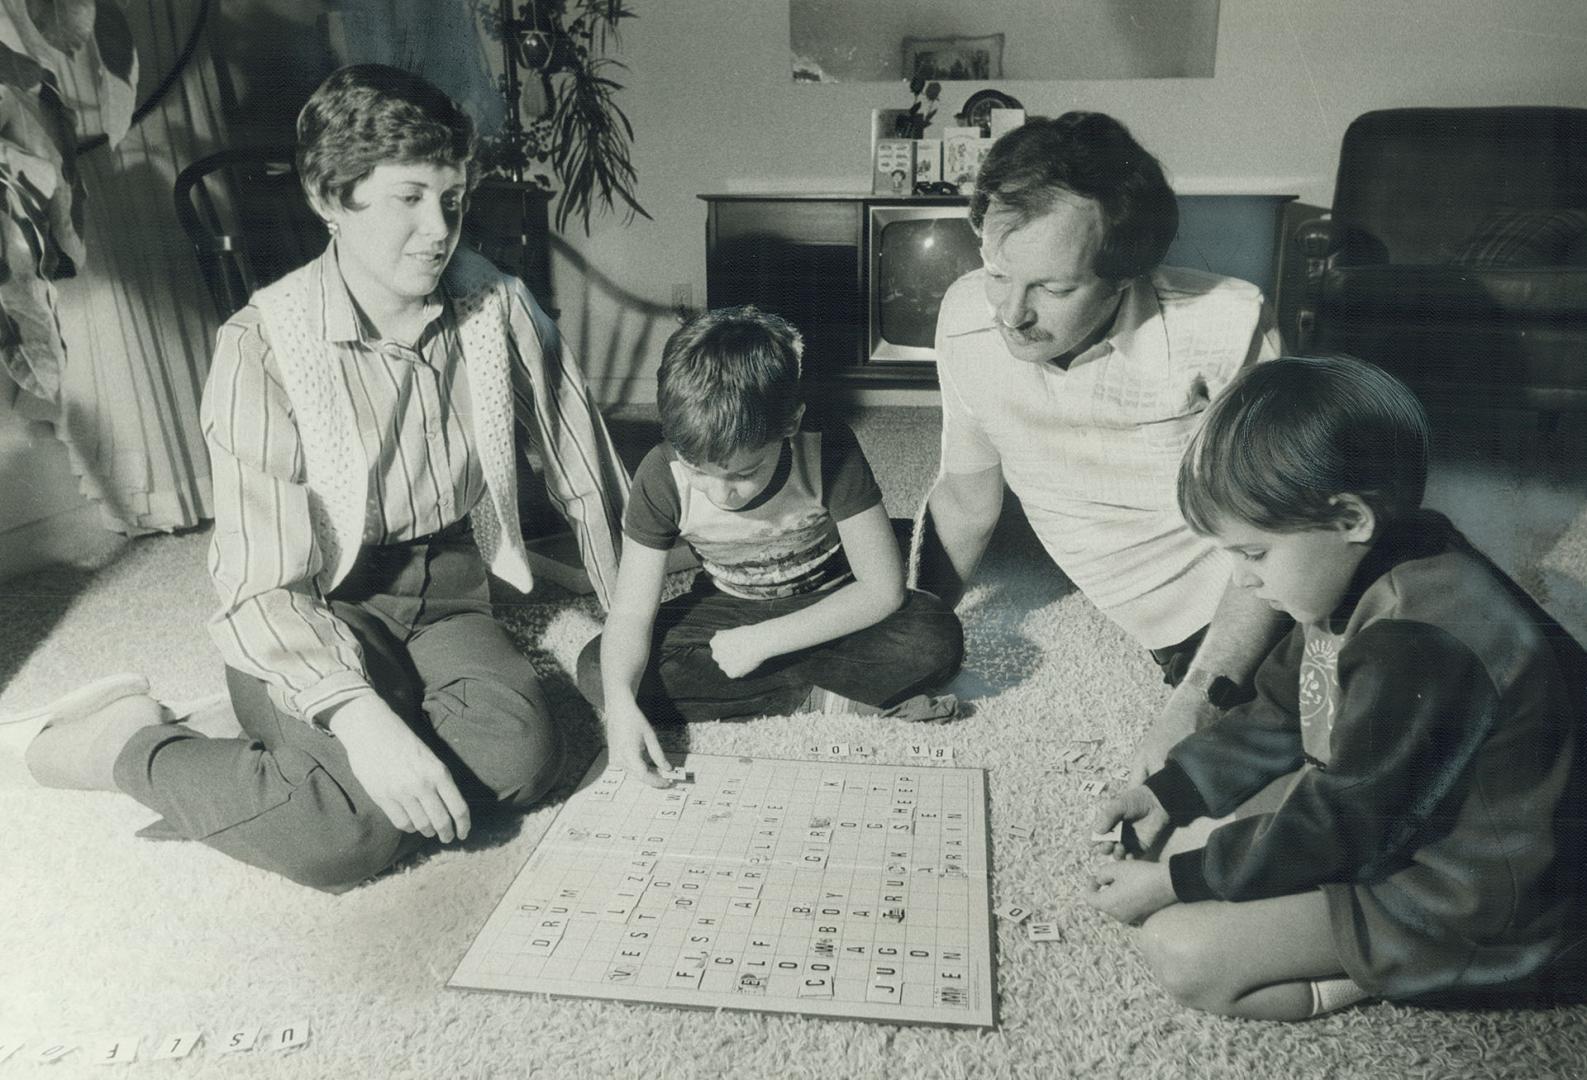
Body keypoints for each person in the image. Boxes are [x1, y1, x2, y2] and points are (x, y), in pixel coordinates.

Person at [22, 64, 629, 891]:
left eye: (452, 199)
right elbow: (259, 586)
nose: (439, 229)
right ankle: (130, 740)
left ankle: (305, 736)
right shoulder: (262, 347)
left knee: (523, 764)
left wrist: (627, 649)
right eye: (407, 198)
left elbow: (587, 481)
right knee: (342, 837)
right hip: (310, 601)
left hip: (447, 590)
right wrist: (363, 719)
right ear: (327, 197)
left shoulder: (498, 308)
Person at [1084, 355, 1587, 1020]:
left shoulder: (1423, 643)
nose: (1238, 582)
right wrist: (1166, 790)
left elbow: (1343, 823)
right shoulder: (1349, 569)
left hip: (1479, 897)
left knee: (1184, 951)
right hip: (1395, 816)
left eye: (1252, 553)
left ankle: (1393, 976)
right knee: (1187, 831)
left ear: (1350, 518)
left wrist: (1173, 884)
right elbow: (1282, 710)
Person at [912, 112, 1288, 778]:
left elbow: (1282, 532)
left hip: (1252, 586)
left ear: (1124, 275)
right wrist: (916, 634)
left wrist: (1193, 703)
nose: (1009, 314)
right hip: (1178, 622)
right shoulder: (967, 312)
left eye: (1052, 289)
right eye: (998, 273)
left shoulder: (1228, 323)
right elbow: (968, 498)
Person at [577, 306, 964, 786]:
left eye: (743, 474)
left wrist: (765, 642)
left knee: (935, 636)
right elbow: (632, 613)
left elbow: (882, 589)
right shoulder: (660, 474)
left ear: (791, 424)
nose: (722, 495)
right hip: (730, 604)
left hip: (832, 600)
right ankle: (815, 695)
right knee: (600, 671)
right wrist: (619, 705)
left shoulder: (828, 447)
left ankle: (779, 682)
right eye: (699, 471)